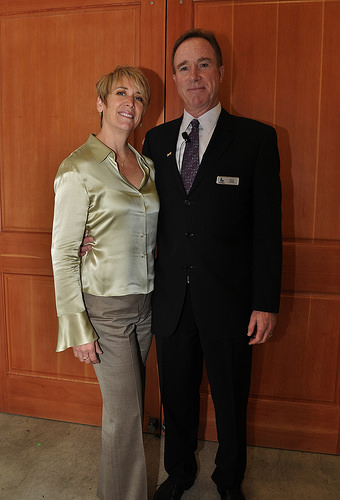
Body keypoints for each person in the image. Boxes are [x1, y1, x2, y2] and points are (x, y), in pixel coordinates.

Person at [142, 29, 282, 500]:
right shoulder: (155, 141)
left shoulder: (256, 140)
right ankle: (178, 474)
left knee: (230, 401)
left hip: (230, 302)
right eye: (183, 67)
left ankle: (228, 482)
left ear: (220, 74)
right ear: (176, 80)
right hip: (171, 302)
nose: (193, 75)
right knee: (176, 399)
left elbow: (267, 229)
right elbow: (136, 213)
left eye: (204, 64)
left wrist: (265, 302)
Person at [51, 66, 159, 500]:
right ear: (101, 102)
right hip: (106, 310)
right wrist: (77, 328)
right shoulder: (77, 168)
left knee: (131, 410)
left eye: (139, 97)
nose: (130, 103)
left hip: (146, 304)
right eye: (121, 93)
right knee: (124, 417)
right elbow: (62, 253)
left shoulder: (147, 164)